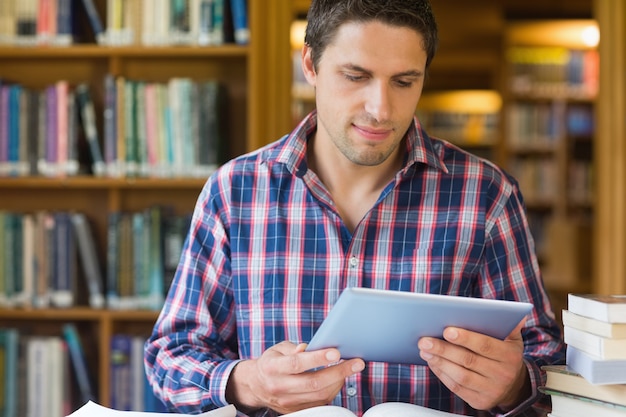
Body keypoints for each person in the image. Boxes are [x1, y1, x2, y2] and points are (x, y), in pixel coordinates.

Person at [144, 0, 566, 416]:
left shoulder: (487, 195)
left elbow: (546, 361)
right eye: (355, 76)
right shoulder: (234, 192)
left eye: (403, 82)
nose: (380, 109)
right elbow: (169, 358)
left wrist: (515, 385)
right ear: (310, 64)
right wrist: (248, 383)